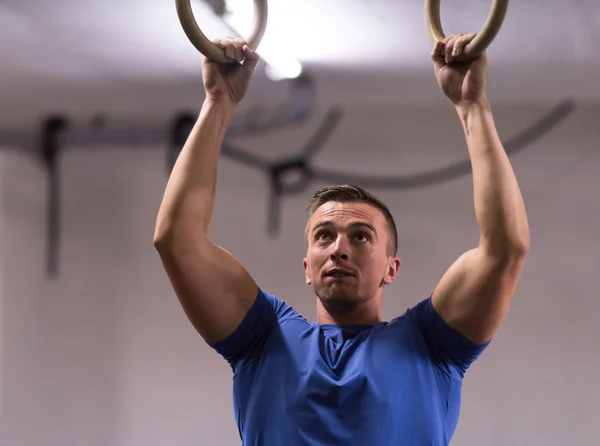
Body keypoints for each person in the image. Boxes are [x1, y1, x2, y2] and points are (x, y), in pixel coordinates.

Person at [153, 33, 530, 445]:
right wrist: (218, 103)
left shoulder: (431, 345)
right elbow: (177, 239)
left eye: (361, 237)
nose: (338, 248)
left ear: (392, 267)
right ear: (307, 267)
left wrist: (472, 106)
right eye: (324, 236)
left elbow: (504, 247)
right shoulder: (263, 339)